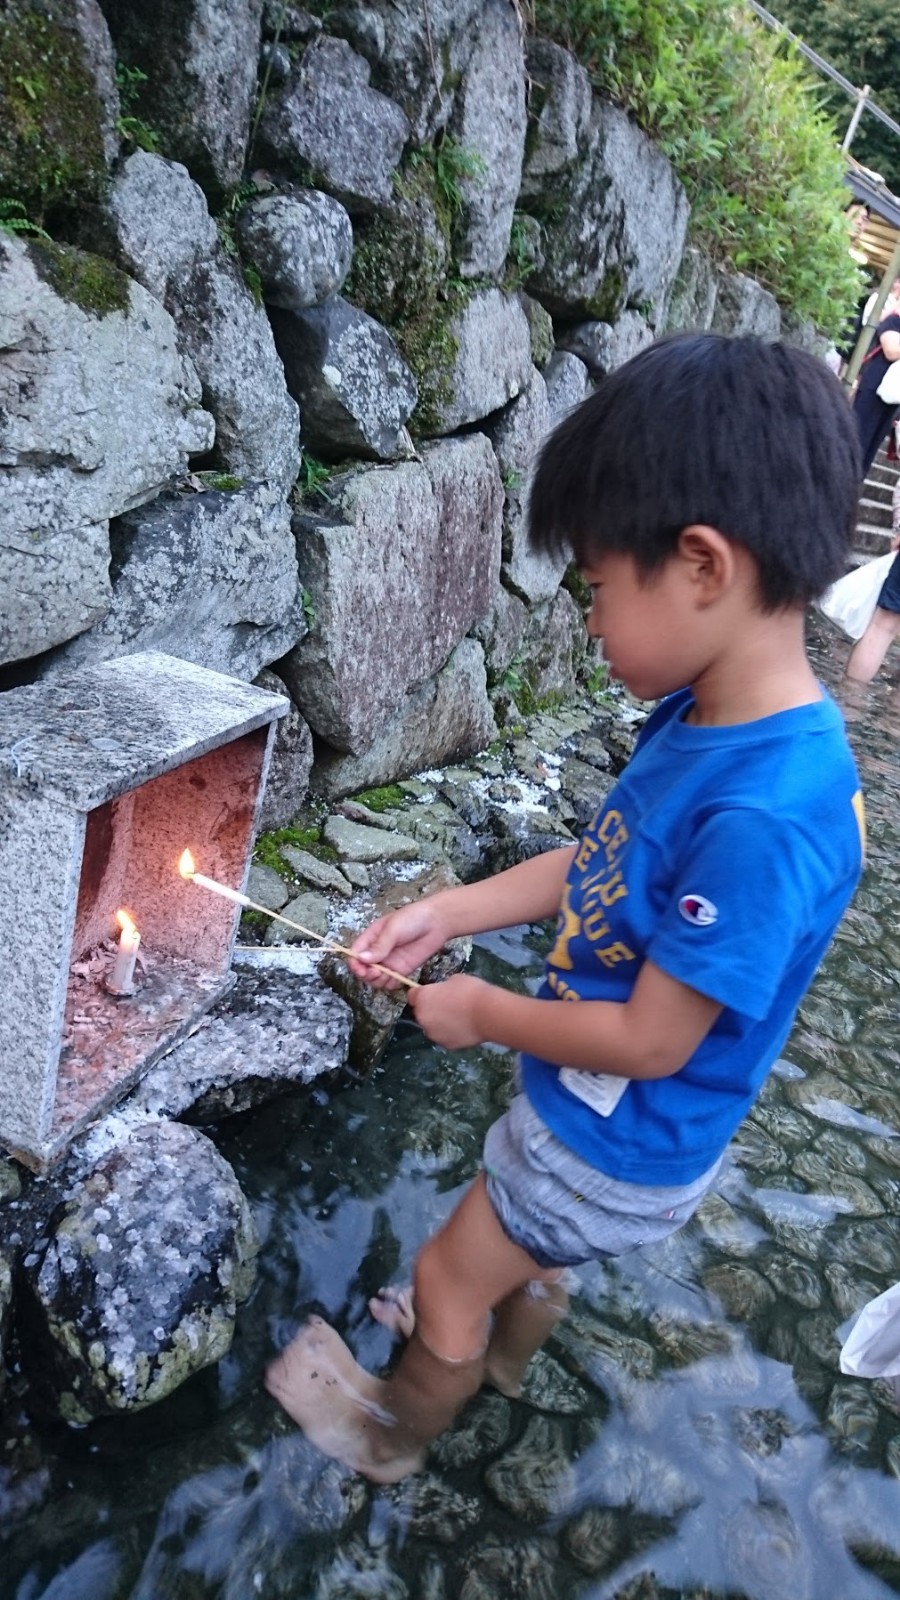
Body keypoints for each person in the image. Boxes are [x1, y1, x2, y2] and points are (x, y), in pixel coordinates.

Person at [265, 334, 866, 1484]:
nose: (589, 624)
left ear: (701, 564)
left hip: (612, 1140)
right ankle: (503, 1358)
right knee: (527, 1254)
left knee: (444, 1275)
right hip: (618, 1140)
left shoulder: (765, 817)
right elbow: (600, 860)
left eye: (596, 589)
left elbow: (652, 1038)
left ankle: (393, 1433)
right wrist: (451, 910)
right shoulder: (707, 717)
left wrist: (485, 1011)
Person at [852, 305, 900, 475]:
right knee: (858, 440)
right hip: (874, 388)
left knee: (870, 449)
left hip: (894, 397)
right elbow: (891, 351)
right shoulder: (894, 320)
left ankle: (852, 488)